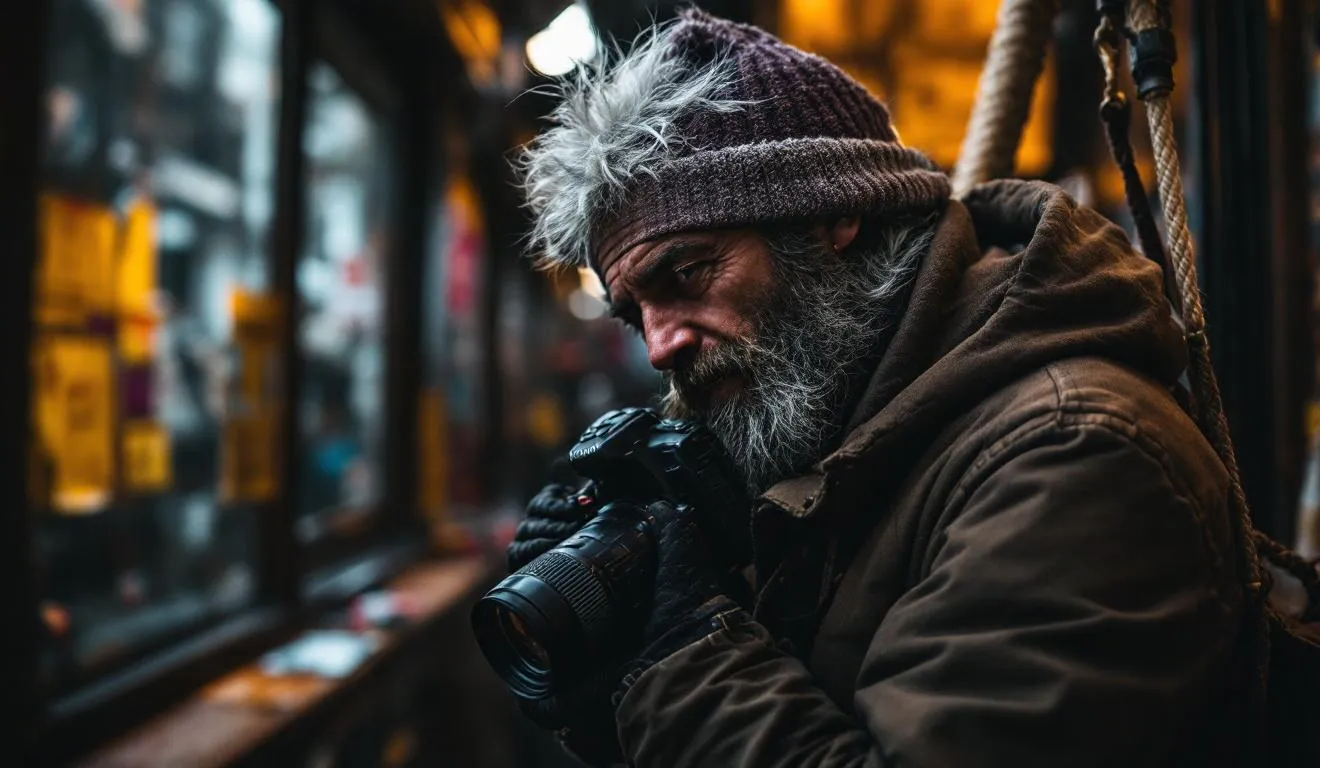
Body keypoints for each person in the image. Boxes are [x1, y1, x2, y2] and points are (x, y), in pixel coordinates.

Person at [505, 8, 1246, 767]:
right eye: (636, 315)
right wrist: (611, 656)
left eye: (688, 273)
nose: (662, 347)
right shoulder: (839, 419)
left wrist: (679, 652)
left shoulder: (1073, 453)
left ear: (833, 215)